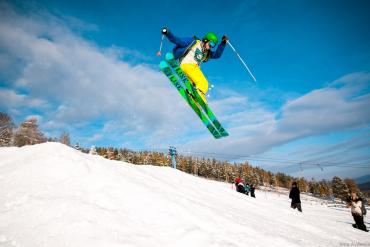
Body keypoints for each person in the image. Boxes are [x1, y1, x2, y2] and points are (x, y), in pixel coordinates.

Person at [160, 27, 228, 102]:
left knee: (193, 86)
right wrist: (167, 33)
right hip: (188, 65)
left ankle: (193, 97)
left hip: (190, 70)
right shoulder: (194, 42)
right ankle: (199, 95)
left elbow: (217, 55)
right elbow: (178, 40)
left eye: (213, 45)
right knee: (204, 83)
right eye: (211, 43)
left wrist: (223, 43)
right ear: (206, 40)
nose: (211, 46)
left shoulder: (206, 53)